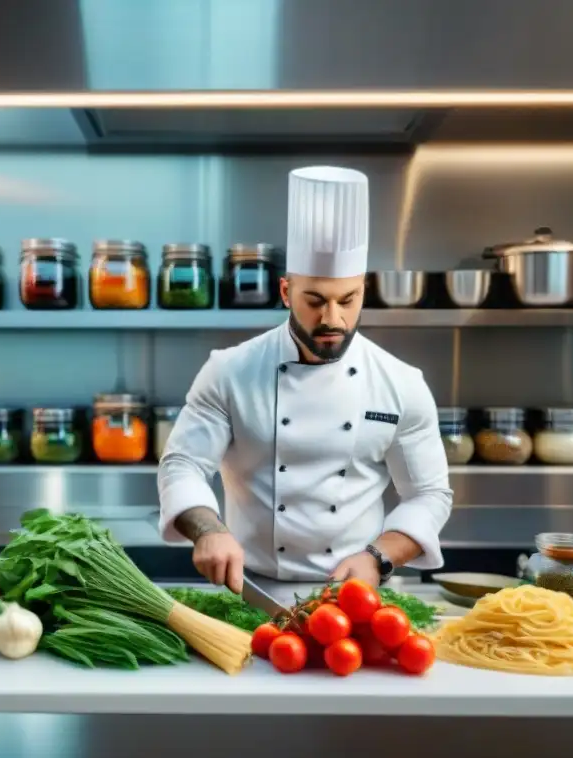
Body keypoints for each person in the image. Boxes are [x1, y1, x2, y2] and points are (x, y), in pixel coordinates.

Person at [157, 165, 452, 593]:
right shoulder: (230, 371)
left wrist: (378, 558)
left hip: (357, 593)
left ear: (363, 292)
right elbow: (182, 463)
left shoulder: (401, 383)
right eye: (314, 300)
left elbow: (430, 494)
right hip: (248, 590)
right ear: (285, 292)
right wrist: (208, 530)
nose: (332, 318)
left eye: (347, 300)